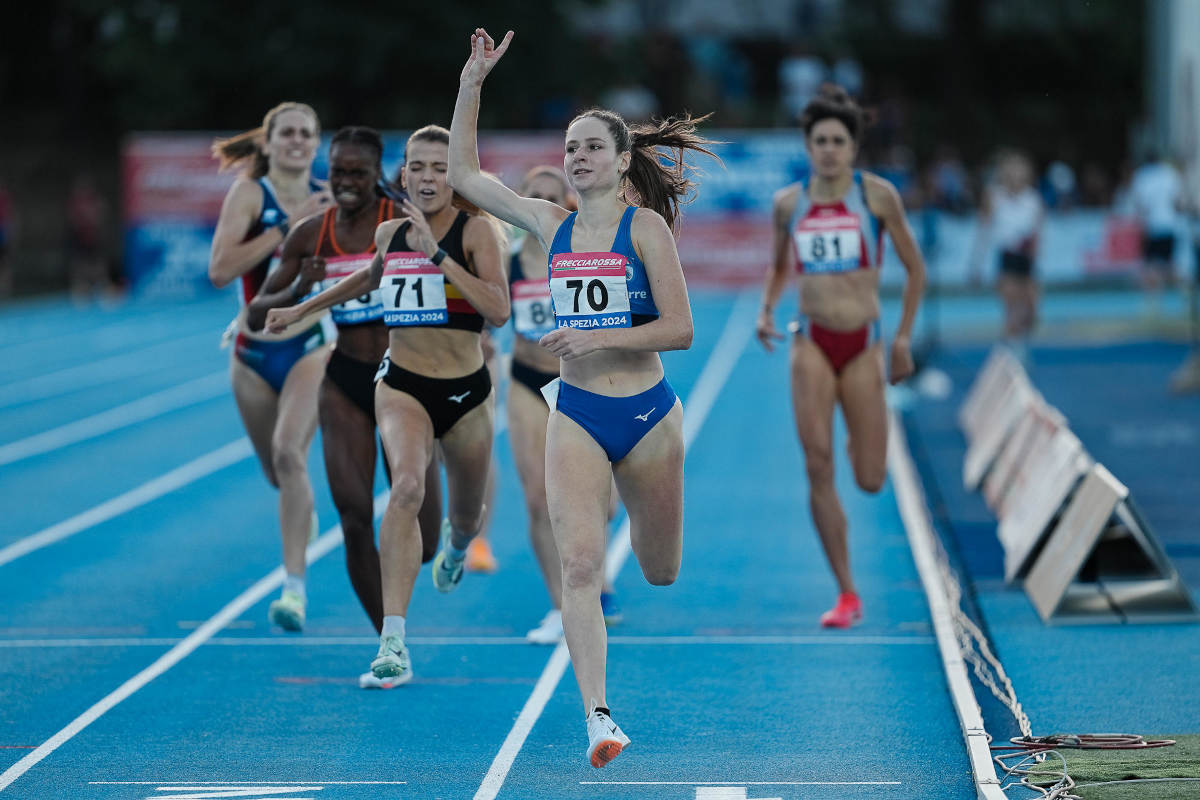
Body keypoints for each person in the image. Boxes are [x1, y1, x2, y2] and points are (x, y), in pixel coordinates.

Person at [448, 29, 717, 767]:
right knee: (579, 569)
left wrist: (601, 339)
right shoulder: (549, 224)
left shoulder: (646, 228)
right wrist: (472, 83)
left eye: (593, 147)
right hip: (576, 416)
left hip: (648, 416)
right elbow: (465, 175)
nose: (578, 157)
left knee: (660, 570)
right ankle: (599, 717)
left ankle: (638, 504)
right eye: (570, 147)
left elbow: (682, 329)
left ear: (623, 159)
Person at [266, 123, 510, 687]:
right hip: (400, 385)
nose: (427, 178)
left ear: (457, 175)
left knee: (464, 520)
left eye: (440, 167)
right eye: (417, 167)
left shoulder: (477, 235)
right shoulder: (389, 235)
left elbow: (497, 311)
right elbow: (366, 282)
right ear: (402, 174)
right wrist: (299, 311)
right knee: (404, 488)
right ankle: (392, 643)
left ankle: (455, 546)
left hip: (465, 391)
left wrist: (439, 259)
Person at [244, 126, 443, 687]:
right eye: (338, 172)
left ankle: (434, 530)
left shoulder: (404, 225)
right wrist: (294, 290)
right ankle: (390, 642)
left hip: (407, 383)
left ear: (378, 173)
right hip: (346, 382)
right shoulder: (313, 233)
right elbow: (259, 312)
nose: (346, 182)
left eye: (357, 172)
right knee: (355, 517)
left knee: (422, 539)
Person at [756, 85, 925, 630]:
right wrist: (766, 310)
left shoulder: (877, 198)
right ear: (808, 146)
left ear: (853, 148)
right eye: (820, 140)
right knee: (817, 463)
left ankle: (859, 428)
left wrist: (900, 339)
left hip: (862, 345)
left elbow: (915, 270)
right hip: (811, 342)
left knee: (872, 478)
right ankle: (847, 592)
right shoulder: (789, 204)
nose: (829, 149)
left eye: (838, 140)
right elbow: (780, 267)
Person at [208, 102, 335, 633]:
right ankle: (299, 514)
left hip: (310, 344)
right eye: (287, 132)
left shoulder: (332, 197)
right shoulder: (249, 194)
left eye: (307, 133)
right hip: (251, 354)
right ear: (269, 140)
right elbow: (220, 270)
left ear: (316, 141)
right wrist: (285, 225)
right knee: (277, 473)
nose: (297, 141)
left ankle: (293, 590)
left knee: (290, 454)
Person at [504, 165, 623, 645]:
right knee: (537, 501)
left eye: (554, 198)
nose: (543, 207)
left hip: (580, 385)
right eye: (535, 197)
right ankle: (560, 605)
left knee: (603, 504)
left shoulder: (583, 258)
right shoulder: (507, 258)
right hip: (526, 381)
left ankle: (598, 577)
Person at [970, 150, 1044, 359]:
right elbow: (983, 231)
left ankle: (1016, 345)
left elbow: (1038, 233)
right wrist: (976, 264)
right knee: (1011, 310)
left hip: (1026, 259)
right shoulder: (995, 196)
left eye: (1019, 173)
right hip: (1007, 257)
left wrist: (1036, 260)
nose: (1015, 177)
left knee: (1032, 311)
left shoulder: (1033, 199)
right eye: (1010, 172)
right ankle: (1010, 353)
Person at [1130, 149, 1183, 305]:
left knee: (1150, 267)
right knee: (1169, 265)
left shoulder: (1142, 176)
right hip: (1170, 224)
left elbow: (1140, 205)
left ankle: (1153, 304)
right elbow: (1177, 201)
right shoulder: (1170, 174)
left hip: (1153, 226)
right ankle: (1186, 292)